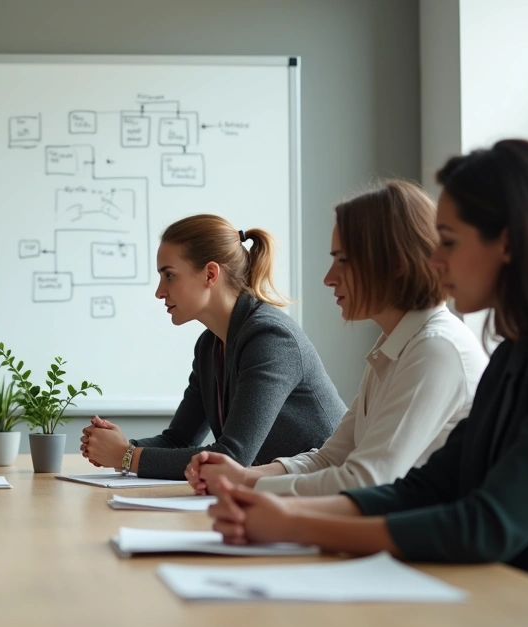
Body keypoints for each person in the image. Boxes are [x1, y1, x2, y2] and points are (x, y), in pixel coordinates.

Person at [208, 140, 528, 607]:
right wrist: (273, 508)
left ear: (507, 242)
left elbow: (487, 524)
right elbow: (428, 487)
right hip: (522, 604)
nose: (434, 259)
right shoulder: (517, 351)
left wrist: (295, 522)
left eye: (449, 241)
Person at [186, 181, 488, 496]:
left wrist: (252, 488)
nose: (329, 278)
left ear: (396, 263)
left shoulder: (435, 349)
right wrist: (243, 477)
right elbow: (331, 458)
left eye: (343, 260)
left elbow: (367, 480)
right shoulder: (396, 346)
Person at [80, 215, 344, 479]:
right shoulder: (209, 345)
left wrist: (126, 457)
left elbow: (233, 457)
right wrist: (121, 448)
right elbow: (178, 439)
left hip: (329, 490)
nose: (159, 292)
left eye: (169, 275)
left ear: (210, 274)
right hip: (279, 492)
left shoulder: (270, 337)